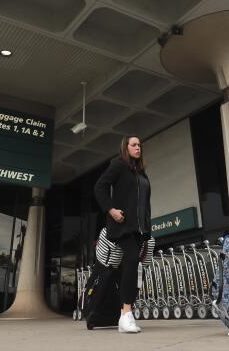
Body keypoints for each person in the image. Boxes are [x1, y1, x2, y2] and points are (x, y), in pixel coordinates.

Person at [94, 135, 151, 334]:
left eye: (139, 145)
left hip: (139, 228)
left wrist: (147, 227)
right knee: (132, 260)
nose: (138, 148)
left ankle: (125, 315)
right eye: (134, 145)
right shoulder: (118, 165)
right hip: (122, 225)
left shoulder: (141, 173)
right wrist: (111, 210)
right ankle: (126, 314)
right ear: (125, 148)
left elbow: (144, 203)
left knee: (133, 266)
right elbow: (99, 187)